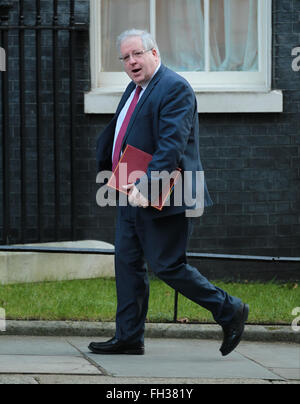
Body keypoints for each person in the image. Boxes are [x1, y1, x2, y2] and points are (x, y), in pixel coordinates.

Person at [90, 29, 249, 357]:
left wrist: (147, 186)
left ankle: (230, 309)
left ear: (155, 53)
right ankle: (129, 336)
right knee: (128, 263)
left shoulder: (174, 87)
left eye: (137, 54)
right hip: (128, 191)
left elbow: (171, 146)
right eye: (126, 57)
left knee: (168, 265)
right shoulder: (136, 88)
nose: (131, 61)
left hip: (164, 194)